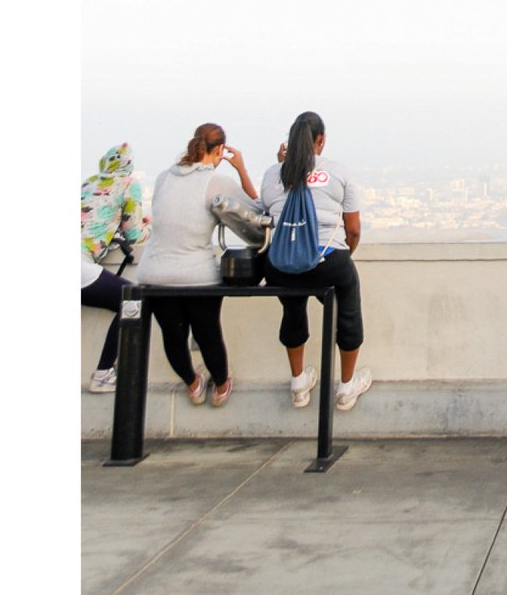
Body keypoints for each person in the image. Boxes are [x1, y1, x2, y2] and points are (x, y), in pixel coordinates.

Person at [251, 112, 370, 411]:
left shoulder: (272, 173)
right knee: (348, 308)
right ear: (320, 141)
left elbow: (261, 212)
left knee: (292, 308)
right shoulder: (338, 172)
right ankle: (345, 387)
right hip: (327, 262)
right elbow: (353, 230)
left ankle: (298, 383)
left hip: (281, 264)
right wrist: (340, 257)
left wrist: (279, 165)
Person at [137, 123, 260, 408]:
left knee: (173, 335)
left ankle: (193, 384)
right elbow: (255, 211)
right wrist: (240, 169)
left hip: (153, 272)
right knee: (207, 332)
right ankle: (220, 384)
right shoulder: (215, 182)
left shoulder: (163, 177)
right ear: (220, 150)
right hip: (196, 274)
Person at [79, 142, 148, 394]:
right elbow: (135, 233)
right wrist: (147, 227)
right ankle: (104, 373)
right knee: (133, 300)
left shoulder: (88, 183)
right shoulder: (128, 184)